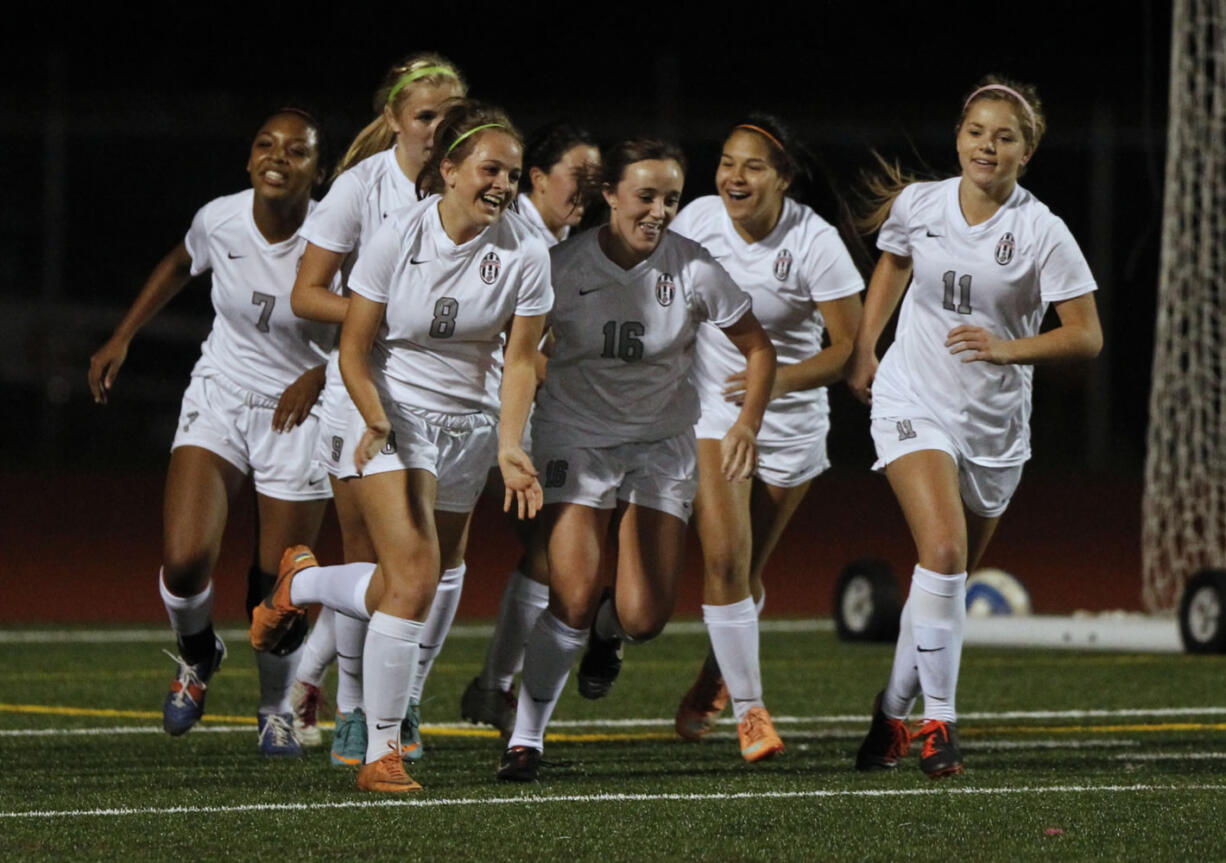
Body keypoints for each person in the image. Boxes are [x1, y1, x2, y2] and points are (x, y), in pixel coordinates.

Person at [250, 100, 552, 793]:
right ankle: (382, 749)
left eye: (511, 173)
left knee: (407, 583)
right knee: (413, 574)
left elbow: (520, 360)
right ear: (448, 169)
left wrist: (510, 444)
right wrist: (376, 416)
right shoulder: (396, 236)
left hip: (468, 426)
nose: (503, 185)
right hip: (386, 411)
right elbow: (353, 349)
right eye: (489, 168)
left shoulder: (527, 253)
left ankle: (302, 582)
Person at [497, 139, 777, 782]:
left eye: (671, 199)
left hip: (660, 444)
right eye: (645, 196)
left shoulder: (694, 267)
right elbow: (519, 351)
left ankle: (609, 629)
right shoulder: (560, 265)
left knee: (645, 618)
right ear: (610, 196)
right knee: (567, 593)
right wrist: (513, 438)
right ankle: (526, 739)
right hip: (577, 437)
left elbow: (759, 349)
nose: (658, 211)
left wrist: (746, 425)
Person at [846, 76, 1102, 777]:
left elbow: (1087, 336)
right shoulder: (920, 203)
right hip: (913, 397)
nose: (987, 145)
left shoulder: (1041, 230)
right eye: (976, 132)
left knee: (942, 575)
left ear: (1027, 152)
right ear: (959, 136)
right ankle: (941, 726)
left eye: (1005, 136)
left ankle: (889, 713)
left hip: (993, 424)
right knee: (945, 549)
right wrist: (867, 345)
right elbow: (895, 258)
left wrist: (1005, 347)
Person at [87, 108, 336, 757]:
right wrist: (122, 337)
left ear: (319, 170)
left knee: (277, 585)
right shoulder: (220, 218)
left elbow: (379, 316)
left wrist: (326, 368)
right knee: (185, 557)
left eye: (297, 150)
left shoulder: (341, 237)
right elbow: (177, 262)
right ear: (250, 160)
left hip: (303, 411)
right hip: (222, 392)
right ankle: (198, 654)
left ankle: (274, 705)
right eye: (266, 144)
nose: (278, 156)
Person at [286, 53, 467, 763]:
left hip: (456, 405)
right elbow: (307, 292)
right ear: (393, 119)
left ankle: (405, 696)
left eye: (448, 118)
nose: (436, 130)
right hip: (369, 396)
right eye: (424, 116)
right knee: (380, 563)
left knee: (444, 560)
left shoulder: (473, 185)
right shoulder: (363, 187)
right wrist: (384, 318)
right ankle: (359, 713)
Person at [668, 115, 865, 761]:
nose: (734, 176)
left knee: (746, 571)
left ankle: (714, 673)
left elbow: (847, 350)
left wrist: (771, 381)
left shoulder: (815, 241)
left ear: (783, 177)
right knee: (724, 559)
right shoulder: (694, 220)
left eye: (753, 166)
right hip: (712, 415)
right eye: (727, 161)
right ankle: (753, 713)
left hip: (791, 424)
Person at [460, 121, 601, 736]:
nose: (588, 189)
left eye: (598, 179)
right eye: (578, 175)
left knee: (550, 555)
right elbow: (516, 348)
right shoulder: (513, 238)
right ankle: (313, 685)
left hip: (530, 421)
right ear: (537, 179)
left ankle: (491, 688)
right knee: (416, 563)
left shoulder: (573, 246)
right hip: (476, 415)